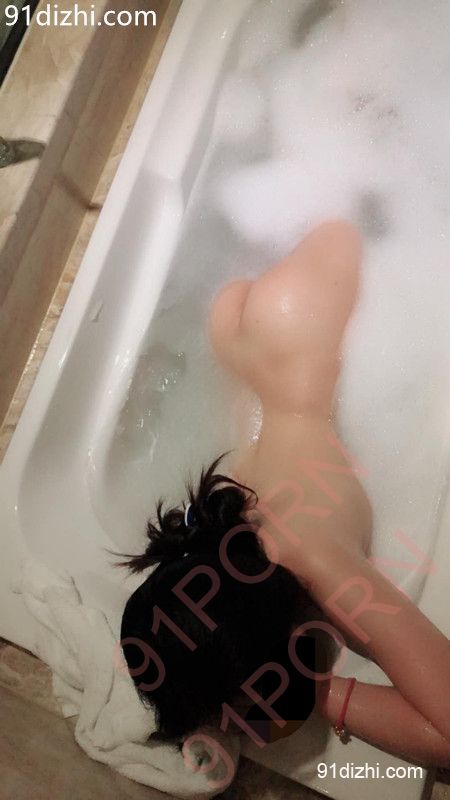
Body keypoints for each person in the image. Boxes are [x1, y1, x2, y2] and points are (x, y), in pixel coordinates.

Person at [121, 221, 450, 767]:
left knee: (375, 217)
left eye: (232, 708)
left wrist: (322, 695)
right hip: (255, 352)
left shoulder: (318, 561)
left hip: (300, 323)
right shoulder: (227, 565)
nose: (234, 721)